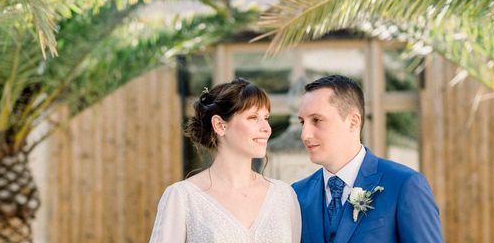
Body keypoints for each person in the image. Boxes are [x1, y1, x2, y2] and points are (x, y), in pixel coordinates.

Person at [292, 74, 443, 243]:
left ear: (353, 122)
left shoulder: (404, 185)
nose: (305, 135)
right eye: (302, 122)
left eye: (317, 120)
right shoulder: (296, 195)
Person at [149, 78, 301, 243]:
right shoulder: (183, 197)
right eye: (252, 117)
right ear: (220, 125)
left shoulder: (284, 195)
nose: (266, 128)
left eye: (266, 118)